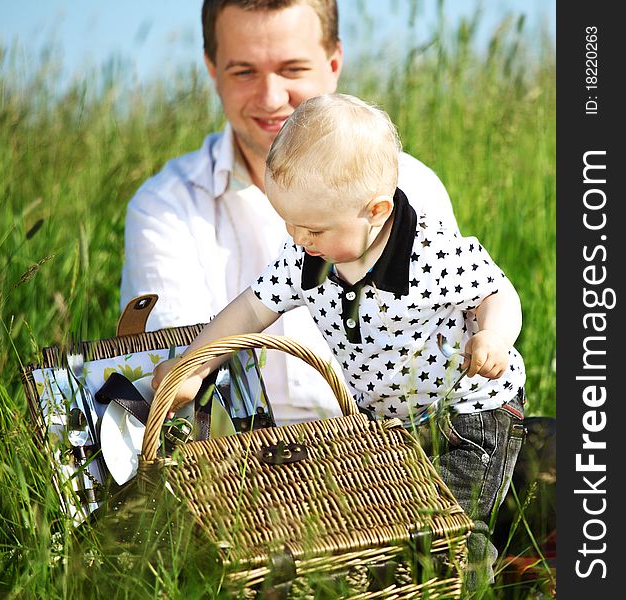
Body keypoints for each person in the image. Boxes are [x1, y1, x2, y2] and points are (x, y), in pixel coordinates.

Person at [152, 93, 526, 589]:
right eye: (286, 221)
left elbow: (497, 292)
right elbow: (248, 311)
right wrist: (196, 364)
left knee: (455, 531)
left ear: (375, 211)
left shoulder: (431, 254)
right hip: (385, 421)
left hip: (468, 413)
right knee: (392, 527)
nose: (295, 236)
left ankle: (474, 582)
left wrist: (494, 335)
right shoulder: (307, 258)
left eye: (311, 227)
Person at [121, 0, 459, 425]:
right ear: (212, 69)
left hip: (395, 442)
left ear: (333, 63)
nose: (271, 97)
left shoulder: (411, 187)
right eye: (243, 71)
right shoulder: (165, 207)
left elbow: (449, 334)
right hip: (240, 462)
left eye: (293, 69)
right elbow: (186, 367)